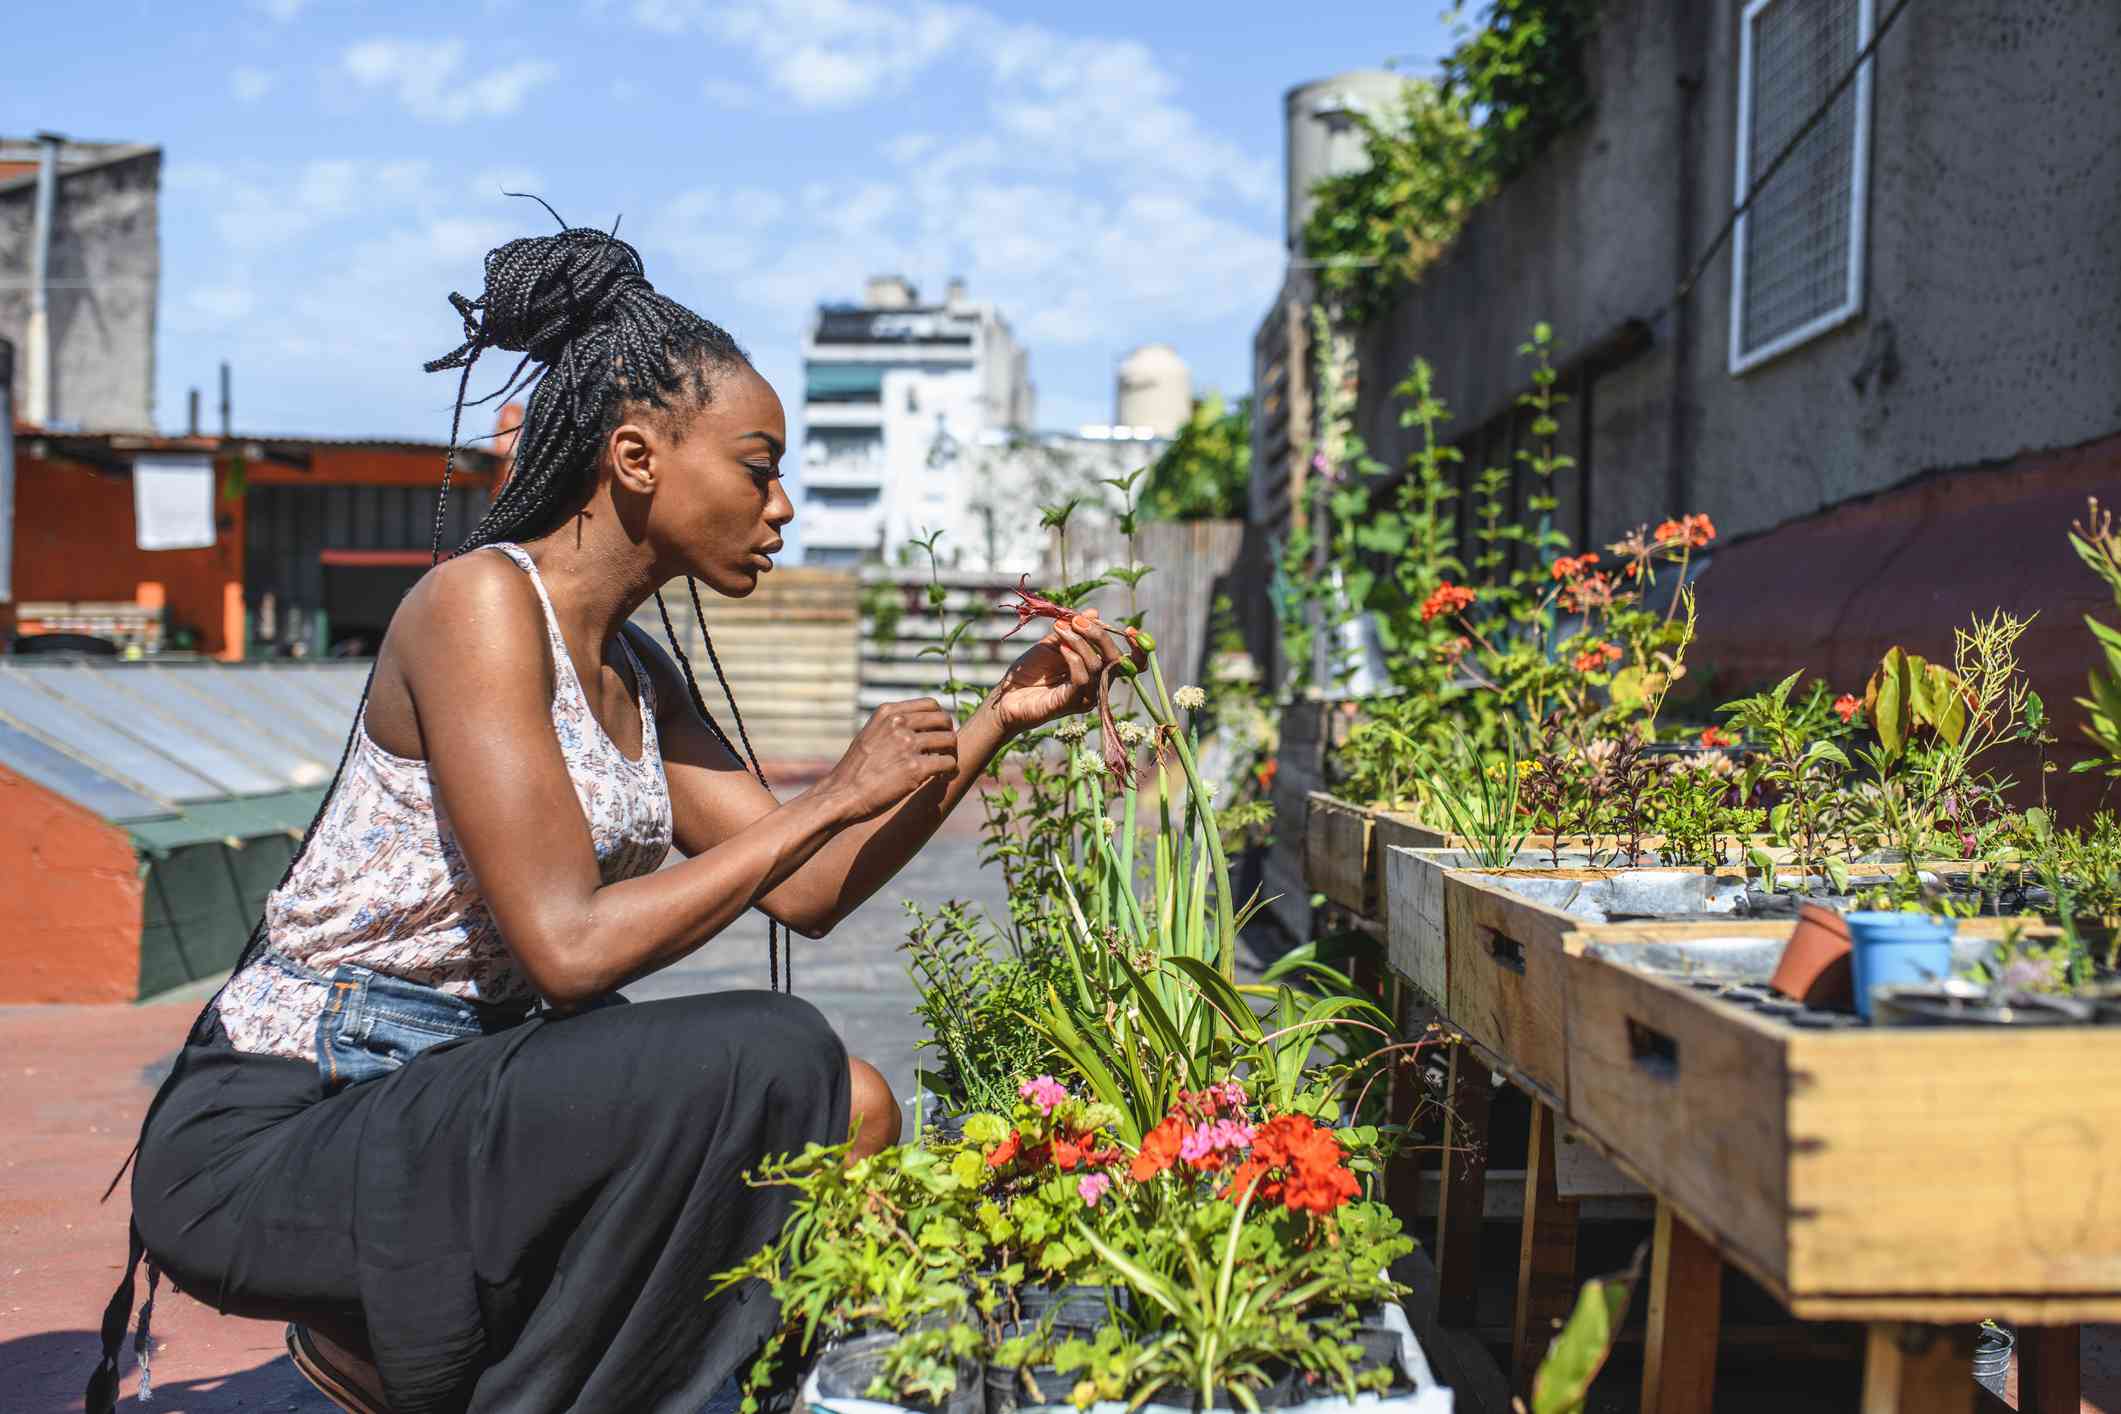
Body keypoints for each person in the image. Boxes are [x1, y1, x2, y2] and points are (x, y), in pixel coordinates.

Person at [91, 223, 1134, 1414]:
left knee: (849, 1104)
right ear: (637, 456)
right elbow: (569, 945)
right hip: (292, 1123)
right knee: (770, 1051)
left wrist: (1001, 713)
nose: (783, 504)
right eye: (758, 466)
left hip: (454, 1092)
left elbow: (809, 888)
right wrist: (835, 793)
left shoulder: (635, 670)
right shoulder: (478, 605)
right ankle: (454, 1366)